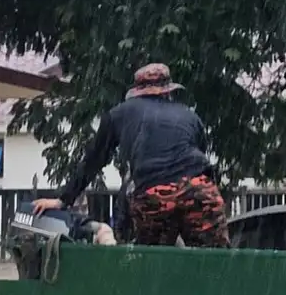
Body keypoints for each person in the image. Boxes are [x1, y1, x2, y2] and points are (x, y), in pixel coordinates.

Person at [31, 63, 228, 247]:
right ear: (168, 90)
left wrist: (64, 199)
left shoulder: (119, 114)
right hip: (199, 190)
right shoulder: (190, 115)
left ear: (137, 91)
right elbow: (201, 156)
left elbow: (94, 159)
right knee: (215, 261)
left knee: (152, 263)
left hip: (154, 193)